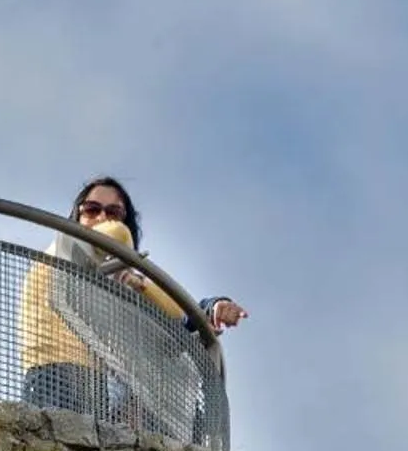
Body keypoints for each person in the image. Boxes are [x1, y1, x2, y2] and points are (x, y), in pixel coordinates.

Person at [18, 176, 248, 436]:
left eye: (114, 213)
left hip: (95, 386)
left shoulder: (111, 286)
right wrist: (129, 267)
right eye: (92, 210)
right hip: (53, 376)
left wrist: (211, 308)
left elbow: (174, 319)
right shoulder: (66, 251)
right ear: (77, 216)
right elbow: (116, 235)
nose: (103, 218)